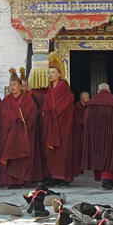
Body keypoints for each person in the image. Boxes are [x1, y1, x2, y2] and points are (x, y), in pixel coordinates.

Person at [0, 68, 40, 187]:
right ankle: (9, 181)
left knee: (22, 158)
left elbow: (32, 114)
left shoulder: (28, 99)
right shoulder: (6, 100)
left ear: (20, 86)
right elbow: (4, 115)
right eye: (10, 84)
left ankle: (21, 181)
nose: (12, 87)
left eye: (14, 84)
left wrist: (22, 125)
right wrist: (14, 122)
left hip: (24, 133)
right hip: (9, 133)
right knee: (10, 156)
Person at [40, 52, 75, 187]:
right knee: (50, 153)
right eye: (49, 73)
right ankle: (53, 176)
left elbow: (64, 107)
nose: (51, 75)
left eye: (53, 72)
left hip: (62, 126)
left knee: (62, 152)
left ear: (60, 74)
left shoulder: (65, 90)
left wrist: (52, 113)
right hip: (50, 126)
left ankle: (64, 178)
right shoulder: (49, 91)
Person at [72, 91, 90, 178]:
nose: (88, 99)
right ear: (81, 98)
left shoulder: (89, 105)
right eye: (86, 97)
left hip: (87, 129)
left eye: (88, 97)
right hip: (79, 129)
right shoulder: (77, 106)